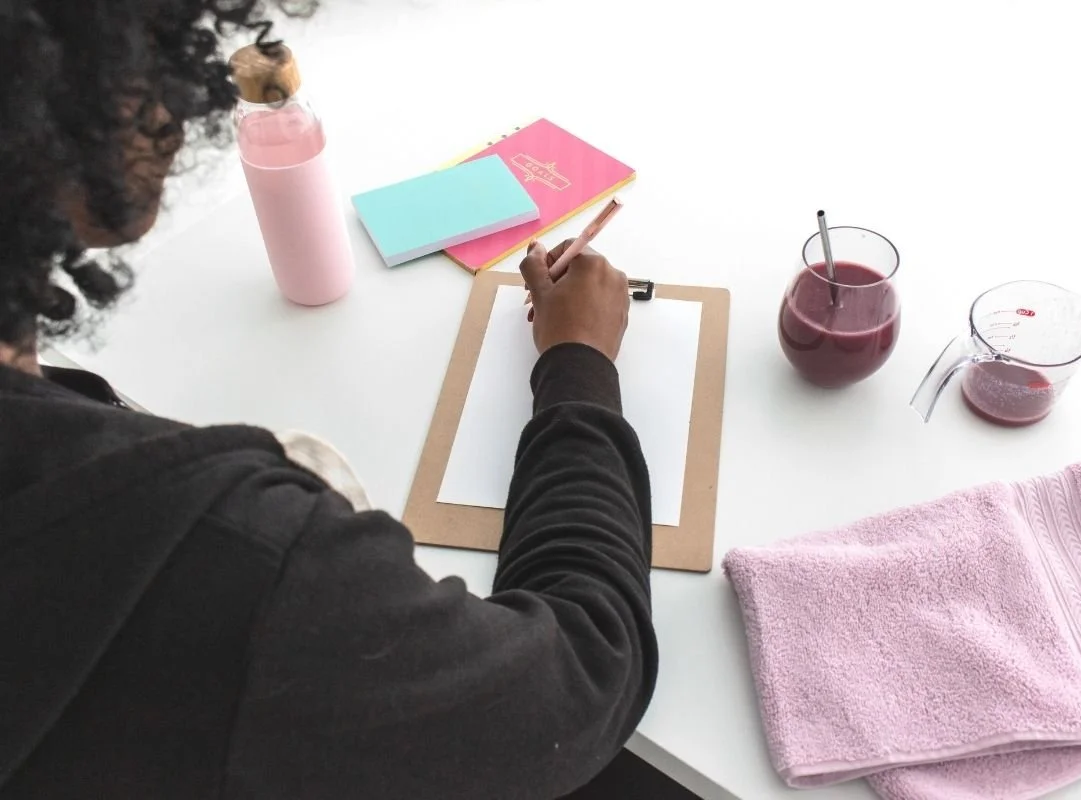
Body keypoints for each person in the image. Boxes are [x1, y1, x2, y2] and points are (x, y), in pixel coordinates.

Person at [0, 3, 658, 799]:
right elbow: (581, 678)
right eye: (150, 40)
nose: (182, 86)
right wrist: (579, 364)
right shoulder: (234, 553)